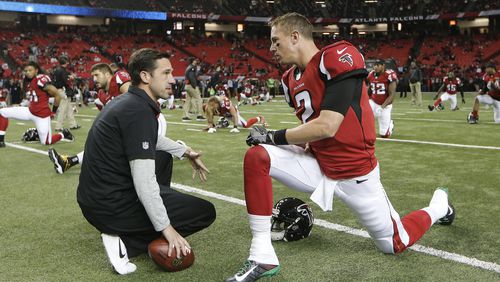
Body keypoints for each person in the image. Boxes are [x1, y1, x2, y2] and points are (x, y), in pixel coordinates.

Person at [225, 13, 455, 282]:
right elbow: (311, 127)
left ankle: (439, 206)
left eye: (276, 41)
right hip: (320, 166)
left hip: (356, 174)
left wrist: (273, 136)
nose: (271, 49)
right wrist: (293, 142)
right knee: (257, 157)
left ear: (295, 37)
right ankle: (262, 254)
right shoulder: (289, 80)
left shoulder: (336, 56)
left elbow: (328, 125)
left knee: (394, 243)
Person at [77, 48, 216, 275]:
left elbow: (151, 138)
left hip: (98, 197)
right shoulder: (137, 110)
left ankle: (137, 224)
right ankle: (126, 243)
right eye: (166, 73)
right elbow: (144, 183)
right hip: (110, 205)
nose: (173, 79)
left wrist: (184, 151)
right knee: (204, 212)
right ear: (145, 76)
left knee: (163, 156)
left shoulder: (129, 101)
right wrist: (167, 229)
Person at [48, 63, 133, 174]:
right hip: (128, 127)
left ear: (107, 74)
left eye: (97, 75)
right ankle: (67, 162)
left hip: (143, 122)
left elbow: (133, 100)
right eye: (93, 76)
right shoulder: (102, 94)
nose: (94, 79)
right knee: (102, 139)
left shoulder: (118, 77)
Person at [0, 61, 74, 148]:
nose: (27, 72)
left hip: (41, 115)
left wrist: (53, 111)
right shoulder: (28, 82)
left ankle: (63, 134)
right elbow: (33, 98)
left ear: (36, 70)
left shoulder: (40, 80)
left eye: (30, 70)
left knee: (46, 142)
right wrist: (20, 105)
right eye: (26, 70)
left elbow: (57, 95)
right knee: (2, 112)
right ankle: (1, 141)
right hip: (30, 111)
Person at [367, 60, 397, 138]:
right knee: (364, 115)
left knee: (384, 135)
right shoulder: (371, 74)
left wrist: (382, 107)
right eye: (375, 65)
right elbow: (369, 89)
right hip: (373, 101)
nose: (375, 67)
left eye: (378, 65)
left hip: (385, 104)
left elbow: (392, 95)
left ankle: (390, 124)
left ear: (383, 66)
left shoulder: (389, 75)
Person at [53, 57, 80, 131]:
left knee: (69, 108)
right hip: (62, 90)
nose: (68, 63)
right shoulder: (63, 71)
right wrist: (71, 78)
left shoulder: (56, 70)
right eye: (67, 62)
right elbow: (66, 81)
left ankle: (73, 124)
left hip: (57, 90)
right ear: (65, 62)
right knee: (63, 109)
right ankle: (58, 126)